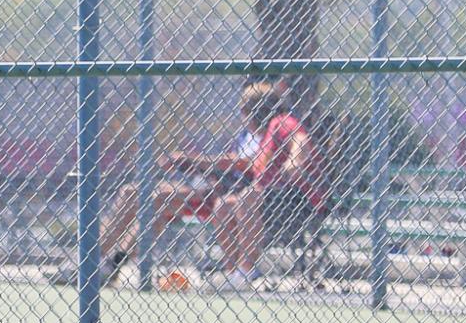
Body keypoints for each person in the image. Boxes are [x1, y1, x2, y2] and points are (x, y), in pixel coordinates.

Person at [60, 80, 325, 292]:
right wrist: (194, 164)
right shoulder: (250, 135)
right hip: (222, 191)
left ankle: (109, 261)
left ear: (253, 111)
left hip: (249, 197)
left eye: (244, 111)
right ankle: (97, 260)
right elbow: (239, 162)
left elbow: (257, 160)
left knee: (161, 200)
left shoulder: (277, 126)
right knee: (137, 195)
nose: (243, 117)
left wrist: (294, 159)